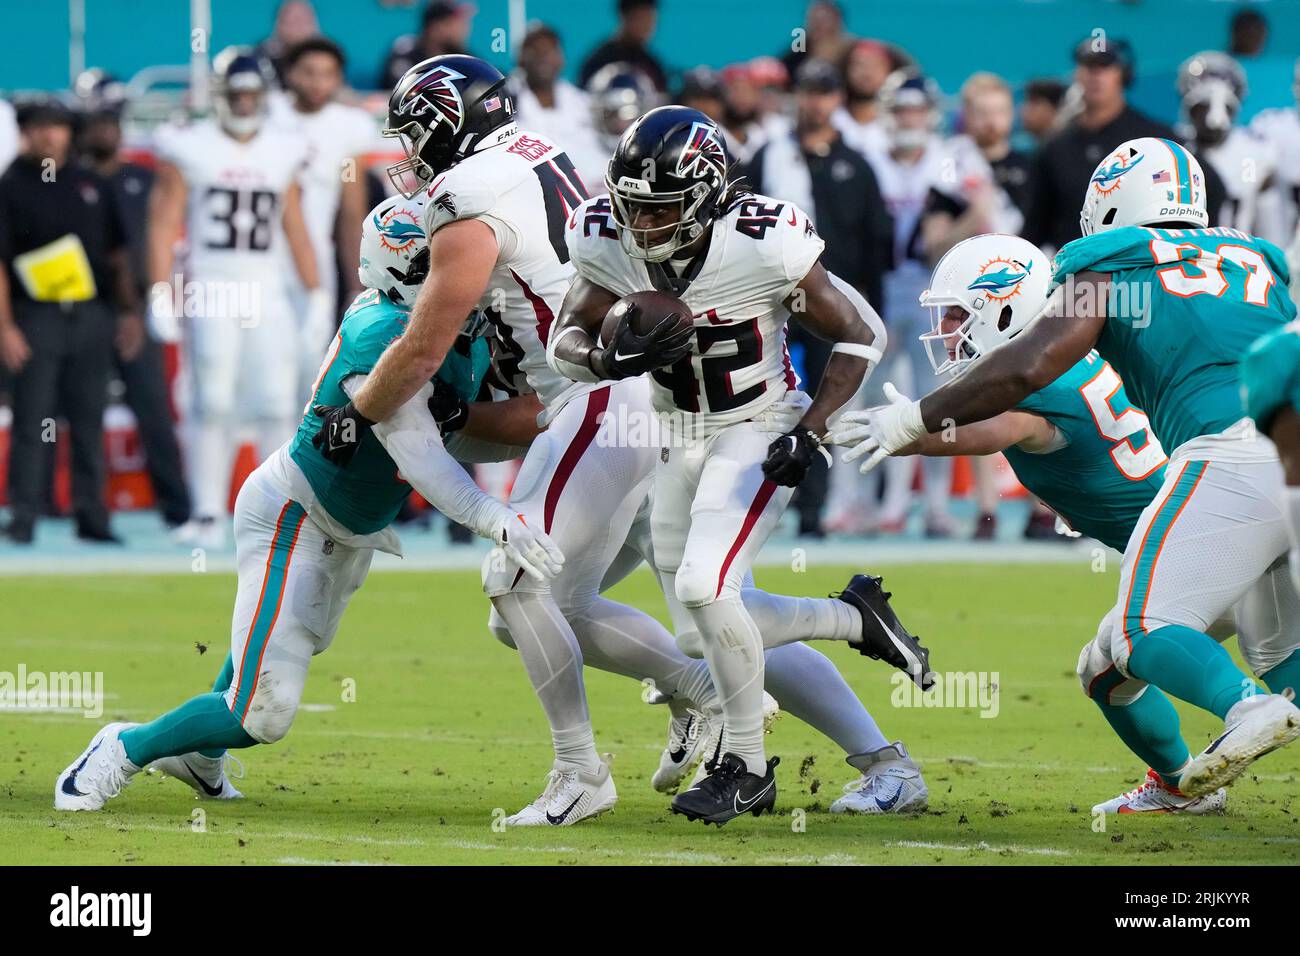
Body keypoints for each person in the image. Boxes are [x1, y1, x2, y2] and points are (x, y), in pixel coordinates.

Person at [315, 60, 926, 825]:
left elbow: (424, 347)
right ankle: (862, 750)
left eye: (413, 135)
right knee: (691, 613)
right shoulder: (540, 155)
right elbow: (538, 366)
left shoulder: (464, 197)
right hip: (628, 401)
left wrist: (362, 409)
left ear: (443, 127)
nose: (409, 154)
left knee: (518, 584)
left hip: (613, 403)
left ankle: (583, 772)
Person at [53, 194, 563, 812]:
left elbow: (464, 432)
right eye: (438, 266)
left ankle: (198, 753)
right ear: (407, 272)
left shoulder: (459, 327)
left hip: (348, 525)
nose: (461, 277)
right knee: (263, 713)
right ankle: (122, 748)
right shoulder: (384, 335)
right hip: (295, 516)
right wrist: (497, 519)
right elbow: (423, 457)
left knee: (276, 657)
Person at [832, 137, 1300, 801]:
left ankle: (1244, 711)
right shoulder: (1256, 257)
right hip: (1287, 454)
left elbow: (1021, 377)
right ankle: (1178, 785)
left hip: (1229, 463)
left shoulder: (1105, 265)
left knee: (1142, 635)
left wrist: (910, 421)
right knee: (1262, 659)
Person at [547, 106, 894, 824]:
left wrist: (814, 430)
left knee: (708, 586)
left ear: (708, 194)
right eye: (633, 208)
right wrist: (603, 358)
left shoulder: (762, 242)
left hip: (758, 424)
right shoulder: (603, 234)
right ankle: (849, 618)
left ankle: (745, 765)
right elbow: (565, 339)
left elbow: (859, 336)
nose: (642, 226)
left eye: (662, 209)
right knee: (694, 628)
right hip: (678, 430)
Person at [148, 48, 330, 549]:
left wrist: (315, 294)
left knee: (276, 399)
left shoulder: (282, 148)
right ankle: (207, 511)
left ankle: (272, 509)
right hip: (212, 282)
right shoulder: (191, 146)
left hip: (266, 284)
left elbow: (294, 225)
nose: (245, 104)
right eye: (238, 94)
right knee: (213, 398)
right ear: (221, 96)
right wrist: (160, 289)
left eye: (252, 94)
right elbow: (164, 222)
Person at [745, 59, 892, 536]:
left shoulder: (856, 162)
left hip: (833, 303)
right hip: (772, 300)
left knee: (829, 400)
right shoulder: (768, 156)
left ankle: (816, 510)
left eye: (825, 92)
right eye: (808, 91)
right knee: (771, 393)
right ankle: (766, 497)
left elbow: (876, 236)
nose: (816, 102)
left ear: (837, 100)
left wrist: (868, 303)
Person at [0, 98, 141, 545]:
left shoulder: (91, 184)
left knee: (88, 419)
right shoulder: (9, 186)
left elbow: (117, 254)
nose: (49, 135)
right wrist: (5, 327)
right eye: (39, 127)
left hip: (91, 314)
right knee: (32, 419)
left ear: (69, 133)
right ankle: (24, 515)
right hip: (35, 314)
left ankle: (92, 516)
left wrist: (129, 313)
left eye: (57, 127)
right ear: (24, 132)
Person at [75, 71, 192, 530]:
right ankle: (82, 514)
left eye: (114, 119)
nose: (108, 128)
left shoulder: (142, 181)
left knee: (154, 412)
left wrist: (147, 304)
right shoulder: (65, 180)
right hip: (81, 310)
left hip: (137, 311)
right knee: (80, 414)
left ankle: (178, 509)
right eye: (99, 119)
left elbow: (155, 247)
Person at [1025, 37, 1222, 253]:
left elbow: (1212, 185)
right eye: (1088, 67)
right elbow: (1035, 226)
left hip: (1144, 268)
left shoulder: (1155, 136)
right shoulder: (1055, 149)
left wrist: (1194, 246)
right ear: (1077, 75)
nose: (1096, 76)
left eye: (1105, 66)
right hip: (1079, 276)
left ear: (1122, 74)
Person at [269, 37, 377, 400]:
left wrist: (356, 283)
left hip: (314, 260)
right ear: (289, 74)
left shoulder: (347, 128)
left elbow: (350, 213)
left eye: (328, 74)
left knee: (308, 373)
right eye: (309, 72)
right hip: (260, 258)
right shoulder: (268, 114)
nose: (317, 83)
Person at [1177, 51, 1277, 237]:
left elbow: (1271, 228)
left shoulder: (1255, 155)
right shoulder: (1174, 150)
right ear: (1190, 111)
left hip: (1241, 258)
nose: (1212, 121)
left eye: (1225, 108)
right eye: (1202, 108)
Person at [509, 24, 606, 192]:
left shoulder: (581, 101)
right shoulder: (507, 101)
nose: (543, 57)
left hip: (594, 194)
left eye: (549, 51)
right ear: (521, 58)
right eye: (535, 52)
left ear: (561, 58)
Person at [379, 0, 473, 91]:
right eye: (454, 24)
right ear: (434, 28)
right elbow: (399, 96)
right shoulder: (406, 52)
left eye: (463, 24)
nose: (463, 30)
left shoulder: (467, 59)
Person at [578, 0, 667, 92]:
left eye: (651, 19)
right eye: (642, 18)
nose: (648, 26)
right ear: (625, 17)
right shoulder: (600, 60)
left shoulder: (653, 65)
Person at [832, 39, 899, 158]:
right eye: (859, 65)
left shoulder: (899, 125)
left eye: (875, 65)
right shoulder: (830, 120)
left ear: (889, 72)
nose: (866, 73)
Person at [779, 0, 853, 85]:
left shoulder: (855, 53)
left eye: (824, 20)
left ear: (838, 22)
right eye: (813, 19)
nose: (818, 25)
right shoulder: (797, 53)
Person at [253, 0, 320, 84]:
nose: (297, 27)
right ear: (278, 25)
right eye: (290, 21)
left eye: (301, 20)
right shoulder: (261, 57)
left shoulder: (328, 58)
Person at [1019, 78, 1067, 147]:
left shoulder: (1065, 148)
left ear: (1054, 108)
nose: (1025, 109)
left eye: (1034, 103)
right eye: (1026, 102)